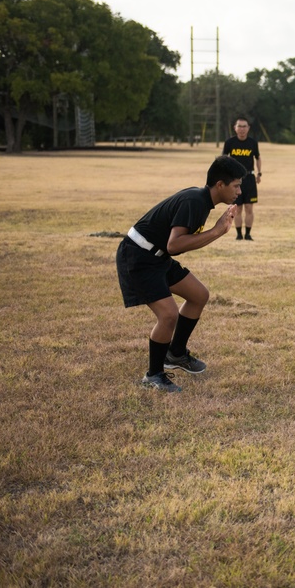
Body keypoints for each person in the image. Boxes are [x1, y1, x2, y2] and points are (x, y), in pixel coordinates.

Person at [115, 155, 246, 392]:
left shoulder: (203, 201)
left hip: (158, 256)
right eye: (236, 185)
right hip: (139, 256)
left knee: (199, 295)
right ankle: (154, 375)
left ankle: (175, 354)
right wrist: (216, 231)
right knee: (168, 315)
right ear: (220, 185)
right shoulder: (195, 201)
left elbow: (173, 246)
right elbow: (175, 245)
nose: (239, 191)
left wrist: (217, 230)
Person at [222, 116, 262, 241]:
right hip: (235, 180)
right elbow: (224, 159)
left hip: (249, 178)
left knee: (249, 208)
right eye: (239, 126)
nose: (242, 129)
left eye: (244, 126)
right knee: (237, 208)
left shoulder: (252, 143)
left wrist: (259, 173)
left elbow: (258, 158)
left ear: (248, 128)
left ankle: (248, 234)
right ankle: (239, 234)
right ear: (235, 128)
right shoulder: (230, 143)